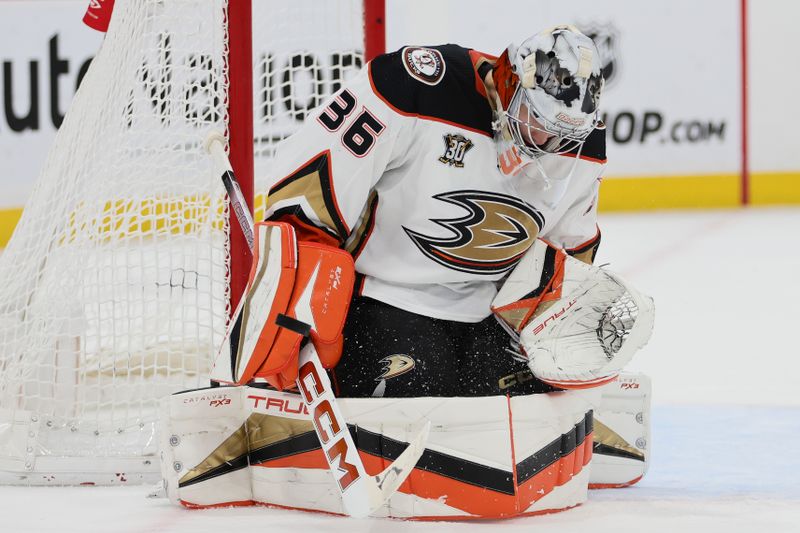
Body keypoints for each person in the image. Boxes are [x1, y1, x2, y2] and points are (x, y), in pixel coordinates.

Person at [262, 25, 609, 399]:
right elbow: (312, 179)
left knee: (532, 411)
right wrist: (302, 302)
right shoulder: (416, 86)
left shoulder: (581, 145)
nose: (544, 142)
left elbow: (570, 252)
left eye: (560, 134)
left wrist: (562, 322)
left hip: (491, 316)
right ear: (510, 82)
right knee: (416, 406)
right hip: (384, 300)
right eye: (537, 120)